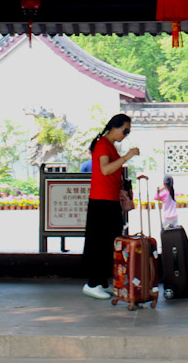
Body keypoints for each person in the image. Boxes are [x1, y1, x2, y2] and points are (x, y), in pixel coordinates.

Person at [81, 114, 138, 300]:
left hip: (108, 200)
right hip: (101, 201)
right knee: (100, 243)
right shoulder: (103, 145)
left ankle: (99, 281)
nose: (126, 134)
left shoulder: (108, 145)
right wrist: (127, 157)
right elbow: (105, 169)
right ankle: (92, 283)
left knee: (110, 241)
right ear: (115, 126)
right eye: (125, 130)